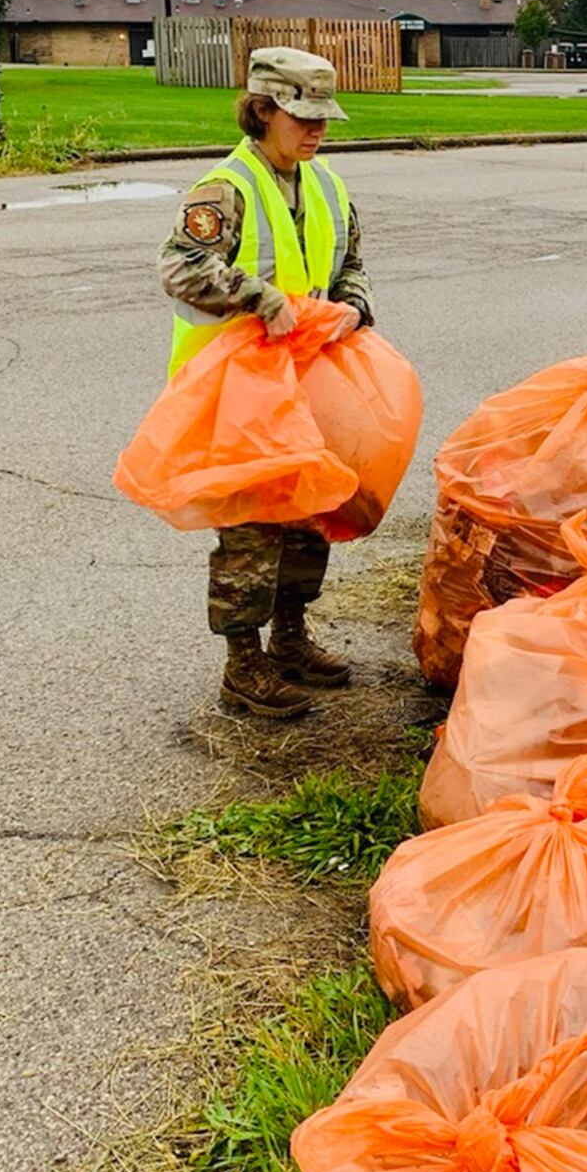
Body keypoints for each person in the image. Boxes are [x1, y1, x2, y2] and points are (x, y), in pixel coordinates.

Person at [158, 46, 374, 719]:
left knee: (310, 515)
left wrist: (354, 307)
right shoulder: (226, 188)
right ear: (262, 111)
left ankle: (289, 638)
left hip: (306, 383)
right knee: (252, 526)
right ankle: (243, 665)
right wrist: (259, 296)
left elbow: (353, 265)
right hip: (237, 393)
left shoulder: (329, 187)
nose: (316, 130)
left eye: (322, 118)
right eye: (301, 116)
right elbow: (178, 266)